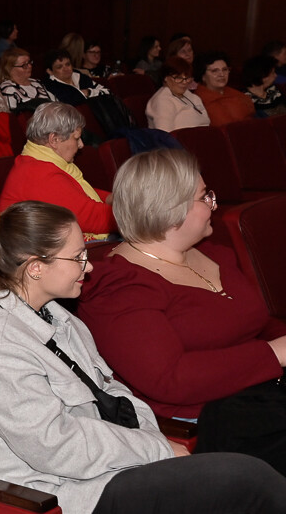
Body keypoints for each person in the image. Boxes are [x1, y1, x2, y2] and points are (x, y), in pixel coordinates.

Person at [0, 200, 286, 514]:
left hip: (109, 468)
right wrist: (155, 451)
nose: (89, 266)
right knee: (246, 480)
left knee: (250, 468)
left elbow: (112, 392)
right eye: (77, 257)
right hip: (61, 494)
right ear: (35, 268)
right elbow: (55, 446)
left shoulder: (58, 317)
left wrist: (153, 443)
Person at [78, 149, 286, 475]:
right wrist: (273, 353)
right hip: (211, 419)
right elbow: (171, 379)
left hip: (264, 393)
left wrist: (279, 344)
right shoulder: (119, 288)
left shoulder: (210, 253)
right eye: (205, 197)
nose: (213, 204)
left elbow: (255, 322)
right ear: (171, 212)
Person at [0, 102, 116, 240]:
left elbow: (75, 193)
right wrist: (137, 212)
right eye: (76, 138)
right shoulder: (39, 173)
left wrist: (109, 198)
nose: (81, 145)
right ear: (54, 140)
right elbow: (94, 219)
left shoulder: (39, 160)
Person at [146, 56, 210, 131]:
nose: (184, 82)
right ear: (165, 78)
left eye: (187, 78)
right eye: (178, 78)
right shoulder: (162, 100)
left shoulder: (193, 97)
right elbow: (165, 135)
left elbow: (207, 123)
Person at [194, 51, 254, 127]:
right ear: (202, 75)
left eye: (225, 69)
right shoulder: (197, 100)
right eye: (215, 71)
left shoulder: (239, 95)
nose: (222, 74)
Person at [43, 49, 109, 106]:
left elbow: (107, 92)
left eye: (68, 64)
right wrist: (91, 94)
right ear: (50, 71)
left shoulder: (80, 77)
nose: (66, 69)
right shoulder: (49, 85)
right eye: (59, 67)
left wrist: (88, 92)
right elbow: (70, 102)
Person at [0, 47, 52, 112]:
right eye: (24, 65)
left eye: (29, 62)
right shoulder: (8, 89)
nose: (30, 66)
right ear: (10, 68)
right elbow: (12, 117)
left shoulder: (36, 82)